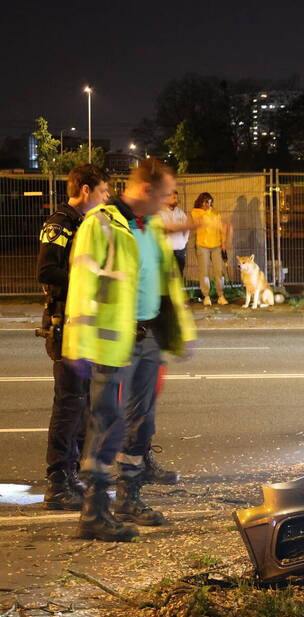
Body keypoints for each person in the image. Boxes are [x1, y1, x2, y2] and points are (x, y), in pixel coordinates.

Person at [63, 159, 196, 542]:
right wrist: (77, 343)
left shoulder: (148, 224)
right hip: (114, 342)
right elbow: (82, 284)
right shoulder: (100, 224)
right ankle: (94, 512)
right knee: (107, 423)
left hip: (150, 338)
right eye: (167, 193)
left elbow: (164, 280)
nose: (170, 201)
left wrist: (178, 332)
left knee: (142, 424)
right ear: (146, 191)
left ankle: (128, 498)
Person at [36, 164, 110, 509]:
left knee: (82, 403)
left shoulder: (85, 223)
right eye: (102, 191)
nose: (105, 197)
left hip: (82, 323)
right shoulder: (60, 224)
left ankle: (73, 475)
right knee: (68, 403)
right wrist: (89, 278)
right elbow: (47, 270)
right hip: (64, 322)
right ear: (84, 190)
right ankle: (57, 482)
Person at [190, 192, 232, 306]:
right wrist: (208, 211)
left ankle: (221, 295)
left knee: (219, 271)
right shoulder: (195, 212)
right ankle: (206, 296)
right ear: (200, 202)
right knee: (204, 272)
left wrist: (223, 242)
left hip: (216, 246)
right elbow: (201, 221)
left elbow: (221, 228)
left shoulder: (215, 212)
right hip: (202, 245)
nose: (208, 204)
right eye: (205, 202)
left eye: (209, 202)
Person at [160, 189, 191, 276]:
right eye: (173, 197)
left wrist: (184, 241)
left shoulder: (180, 213)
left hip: (180, 248)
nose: (176, 200)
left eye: (176, 198)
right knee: (166, 275)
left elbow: (187, 228)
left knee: (179, 274)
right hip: (166, 249)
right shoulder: (160, 213)